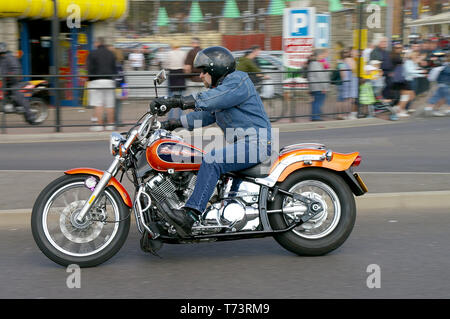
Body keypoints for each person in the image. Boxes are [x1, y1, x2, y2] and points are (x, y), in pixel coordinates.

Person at [149, 46, 272, 237]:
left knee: (212, 159)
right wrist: (172, 123)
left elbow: (209, 100)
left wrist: (175, 101)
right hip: (243, 145)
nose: (201, 76)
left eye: (204, 71)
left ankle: (191, 215)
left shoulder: (238, 81)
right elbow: (204, 117)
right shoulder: (222, 92)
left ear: (216, 70)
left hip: (256, 144)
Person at [0, 42, 36, 124]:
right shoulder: (1, 59)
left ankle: (31, 116)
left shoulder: (10, 57)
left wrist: (9, 75)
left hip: (13, 82)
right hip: (5, 82)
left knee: (15, 92)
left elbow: (16, 69)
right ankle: (7, 105)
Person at [87, 37, 118, 131]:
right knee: (110, 104)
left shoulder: (92, 53)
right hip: (109, 80)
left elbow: (89, 68)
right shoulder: (111, 53)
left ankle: (99, 125)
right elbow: (114, 68)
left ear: (97, 43)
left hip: (96, 80)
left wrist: (90, 79)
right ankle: (111, 124)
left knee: (98, 104)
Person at [164, 40, 187, 121]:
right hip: (181, 74)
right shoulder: (183, 53)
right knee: (181, 98)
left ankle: (170, 117)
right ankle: (180, 117)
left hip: (172, 74)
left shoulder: (169, 53)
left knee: (171, 97)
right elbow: (185, 64)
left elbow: (166, 65)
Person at [307, 49, 330, 121]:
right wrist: (324, 87)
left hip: (316, 86)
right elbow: (320, 76)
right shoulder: (316, 64)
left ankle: (316, 115)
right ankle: (315, 117)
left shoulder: (314, 63)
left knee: (316, 101)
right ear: (319, 55)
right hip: (318, 86)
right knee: (318, 101)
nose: (323, 56)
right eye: (322, 55)